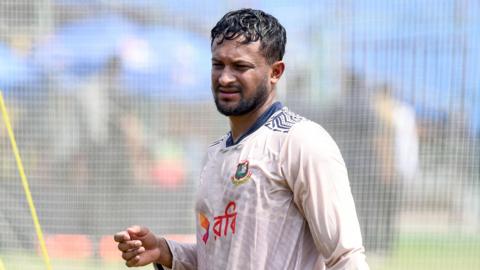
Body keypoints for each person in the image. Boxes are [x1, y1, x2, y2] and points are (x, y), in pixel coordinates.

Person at [114, 8, 369, 270]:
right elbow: (220, 256)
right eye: (218, 64)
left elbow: (346, 256)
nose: (225, 78)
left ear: (276, 72)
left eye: (240, 66)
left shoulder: (301, 142)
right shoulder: (214, 154)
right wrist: (166, 251)